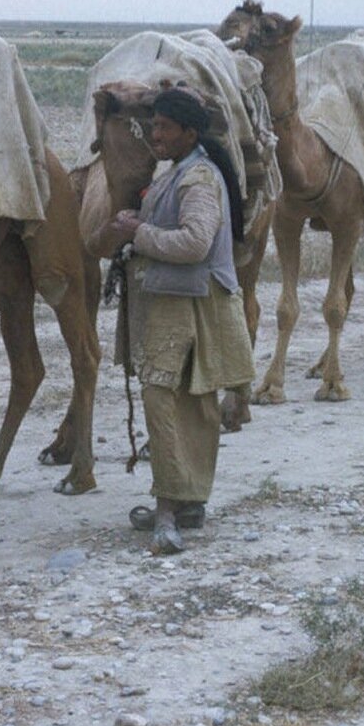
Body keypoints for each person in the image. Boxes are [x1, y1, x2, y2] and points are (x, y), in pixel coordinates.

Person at [106, 87, 254, 554]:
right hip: (180, 302)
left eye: (164, 128)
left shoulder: (197, 180)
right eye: (153, 127)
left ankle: (168, 512)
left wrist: (139, 233)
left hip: (186, 306)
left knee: (165, 403)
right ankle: (190, 502)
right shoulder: (183, 174)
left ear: (189, 132)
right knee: (190, 405)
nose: (155, 135)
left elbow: (195, 244)